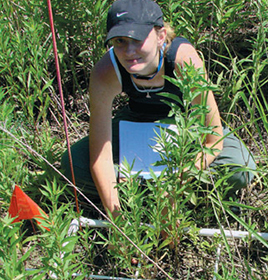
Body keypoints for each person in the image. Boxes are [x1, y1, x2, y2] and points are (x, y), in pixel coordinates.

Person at [61, 0, 255, 217]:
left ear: (161, 35)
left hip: (186, 128)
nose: (129, 51)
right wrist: (116, 218)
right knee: (73, 165)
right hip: (135, 123)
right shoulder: (105, 72)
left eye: (138, 39)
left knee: (241, 168)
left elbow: (213, 139)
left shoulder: (184, 61)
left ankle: (144, 188)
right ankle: (142, 187)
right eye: (120, 41)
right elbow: (101, 154)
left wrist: (174, 185)